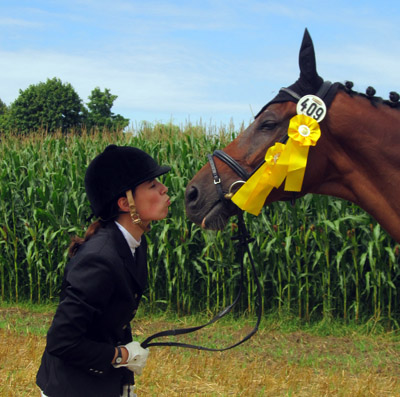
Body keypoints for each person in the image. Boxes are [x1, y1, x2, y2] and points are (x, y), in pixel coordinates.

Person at [36, 144, 171, 397]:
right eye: (152, 185)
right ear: (124, 202)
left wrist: (124, 376)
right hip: (72, 388)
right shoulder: (99, 259)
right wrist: (121, 356)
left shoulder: (135, 243)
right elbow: (61, 341)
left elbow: (115, 319)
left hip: (104, 383)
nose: (164, 189)